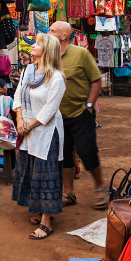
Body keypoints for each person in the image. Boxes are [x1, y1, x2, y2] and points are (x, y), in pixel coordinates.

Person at [11, 33, 66, 239]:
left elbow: (50, 109)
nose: (33, 46)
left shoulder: (57, 77)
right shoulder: (28, 70)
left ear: (47, 50)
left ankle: (46, 222)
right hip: (28, 128)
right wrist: (19, 120)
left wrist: (29, 125)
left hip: (47, 132)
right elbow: (18, 94)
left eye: (37, 43)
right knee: (33, 170)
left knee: (45, 174)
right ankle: (40, 211)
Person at [49, 21, 108, 210]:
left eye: (52, 31)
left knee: (87, 151)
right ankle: (69, 193)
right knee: (64, 154)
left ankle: (100, 187)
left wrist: (89, 105)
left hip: (80, 113)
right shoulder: (49, 56)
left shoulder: (81, 54)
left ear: (63, 36)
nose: (48, 33)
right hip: (58, 115)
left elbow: (96, 80)